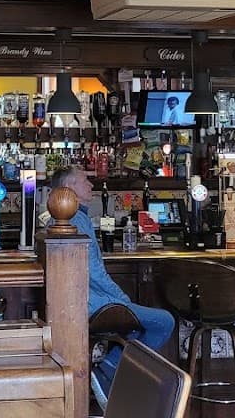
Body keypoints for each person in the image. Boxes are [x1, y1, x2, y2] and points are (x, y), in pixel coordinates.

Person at [50, 166, 175, 394]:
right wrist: (121, 298)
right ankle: (109, 370)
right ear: (69, 189)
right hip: (90, 304)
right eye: (85, 180)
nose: (91, 185)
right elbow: (93, 271)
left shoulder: (63, 219)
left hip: (76, 303)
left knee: (135, 327)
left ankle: (109, 372)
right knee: (164, 321)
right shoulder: (76, 220)